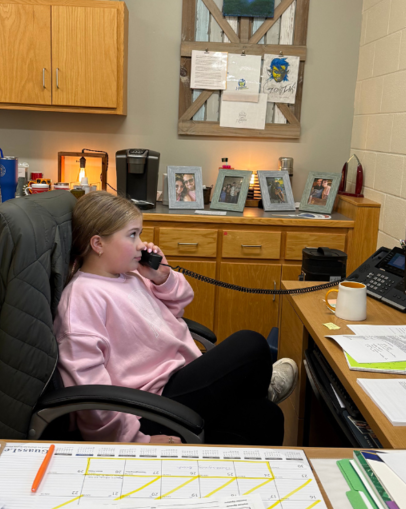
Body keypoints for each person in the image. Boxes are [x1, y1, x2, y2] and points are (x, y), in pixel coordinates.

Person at [55, 191, 298, 446]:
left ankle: (253, 394)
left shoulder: (130, 275)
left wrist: (161, 277)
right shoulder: (82, 299)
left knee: (268, 417)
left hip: (176, 376)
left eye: (140, 234)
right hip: (147, 406)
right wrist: (138, 441)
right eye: (132, 235)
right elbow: (91, 390)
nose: (141, 244)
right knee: (251, 344)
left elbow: (179, 304)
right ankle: (256, 388)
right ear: (98, 244)